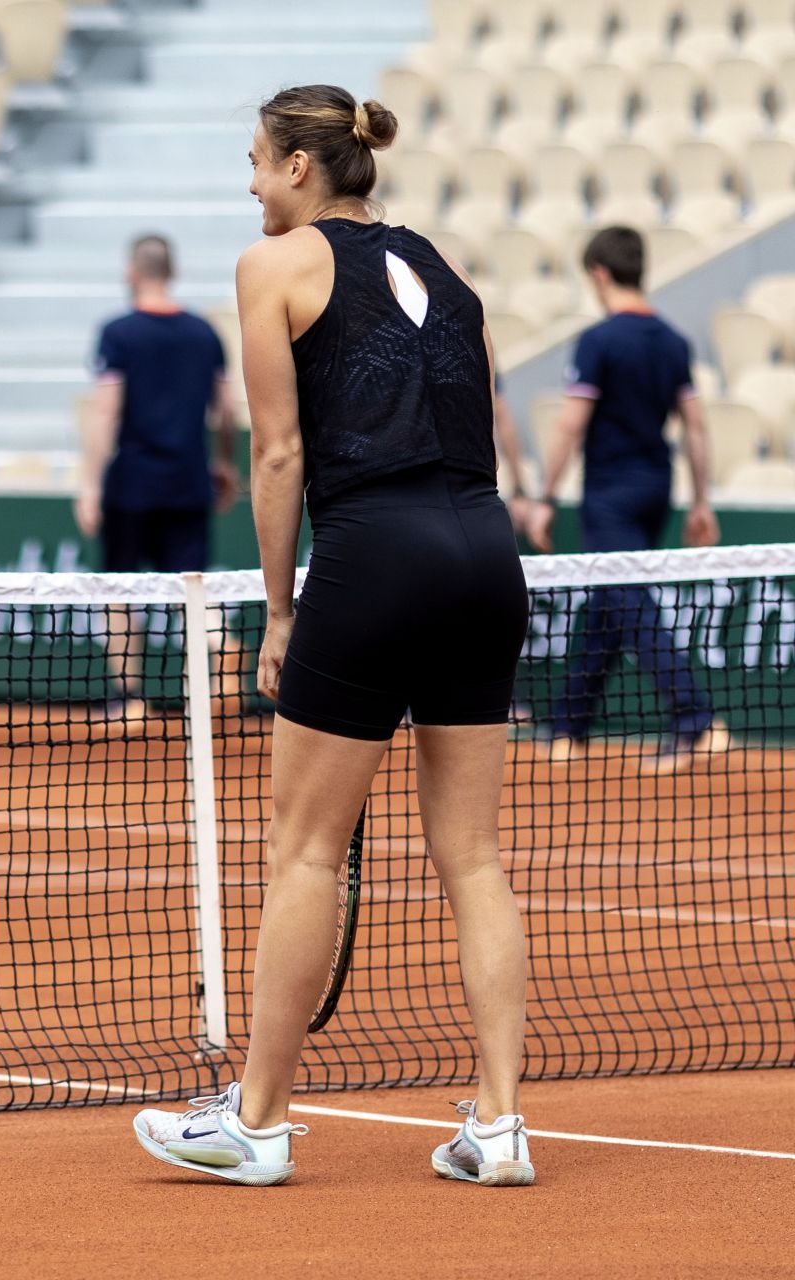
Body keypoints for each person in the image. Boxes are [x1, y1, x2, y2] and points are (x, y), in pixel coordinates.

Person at [128, 85, 535, 1187]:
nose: (251, 182)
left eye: (257, 161)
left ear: (301, 169)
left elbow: (277, 456)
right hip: (484, 554)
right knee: (477, 854)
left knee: (304, 847)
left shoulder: (274, 266)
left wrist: (281, 611)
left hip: (376, 554)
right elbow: (479, 422)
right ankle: (499, 1126)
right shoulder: (447, 271)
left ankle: (255, 1121)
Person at [523, 227, 728, 772]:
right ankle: (569, 725)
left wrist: (544, 497)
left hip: (611, 494)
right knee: (608, 604)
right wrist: (701, 500)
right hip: (657, 490)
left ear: (598, 274)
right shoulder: (674, 341)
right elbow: (697, 427)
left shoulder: (599, 341)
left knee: (627, 602)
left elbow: (569, 425)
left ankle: (694, 719)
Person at [75, 235, 239, 720]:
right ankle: (219, 643)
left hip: (132, 484)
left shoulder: (119, 333)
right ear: (172, 270)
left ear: (132, 271)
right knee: (193, 588)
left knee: (120, 593)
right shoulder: (203, 334)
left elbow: (105, 412)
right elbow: (226, 410)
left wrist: (89, 483)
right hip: (188, 482)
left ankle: (129, 699)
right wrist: (225, 463)